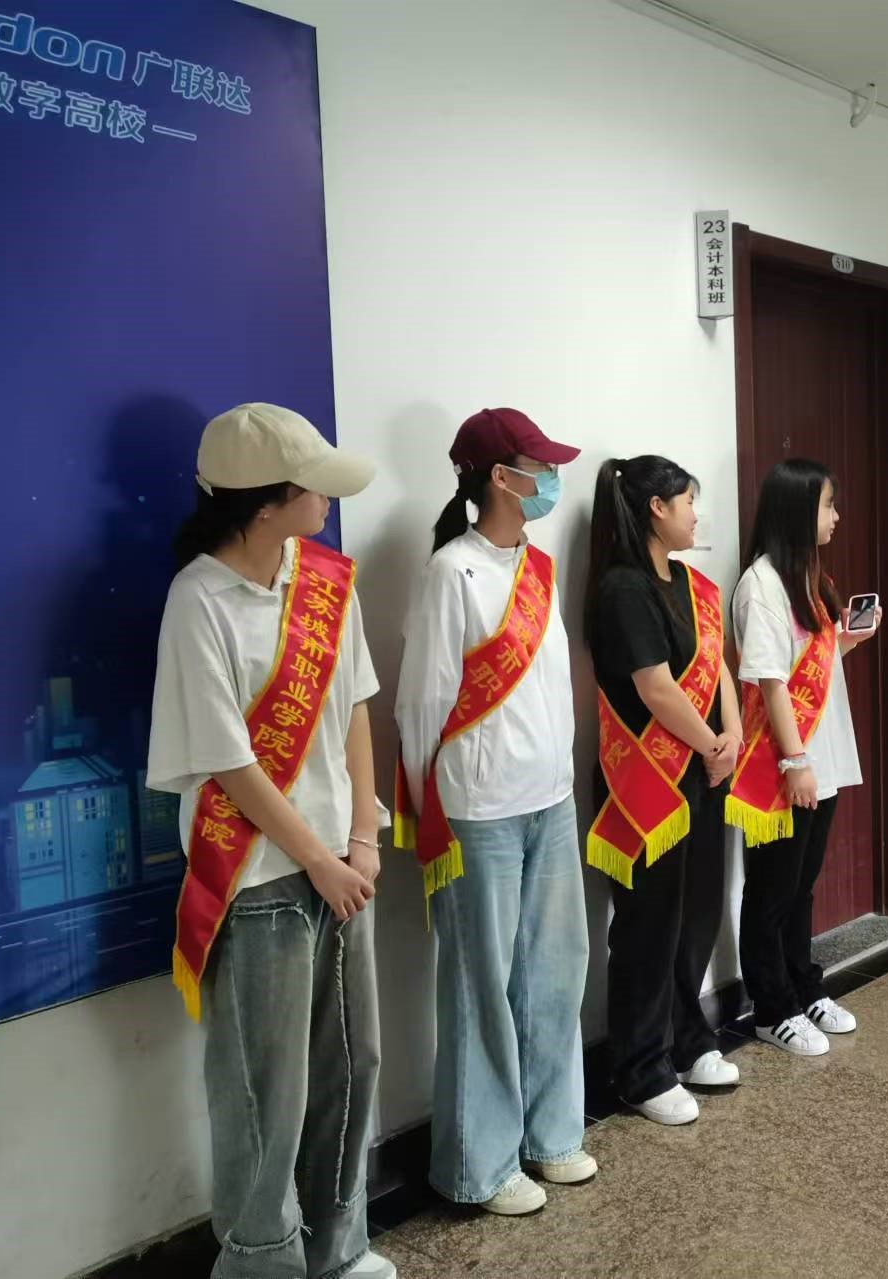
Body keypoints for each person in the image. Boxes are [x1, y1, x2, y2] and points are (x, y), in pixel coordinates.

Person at [146, 404, 396, 1279]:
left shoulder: (325, 580)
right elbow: (231, 761)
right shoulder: (198, 600)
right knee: (265, 1092)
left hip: (343, 867)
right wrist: (319, 859)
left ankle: (338, 1246)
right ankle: (261, 1260)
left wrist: (362, 836)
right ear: (264, 502)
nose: (328, 499)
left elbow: (355, 708)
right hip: (260, 882)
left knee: (353, 1064)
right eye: (312, 486)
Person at [394, 407, 592, 1217]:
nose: (551, 479)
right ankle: (480, 1164)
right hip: (479, 813)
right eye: (539, 467)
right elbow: (421, 705)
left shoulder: (538, 568)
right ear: (501, 478)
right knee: (482, 985)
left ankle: (553, 1134)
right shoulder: (452, 572)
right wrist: (429, 814)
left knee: (555, 971)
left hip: (551, 801)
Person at [585, 455, 743, 1126]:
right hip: (646, 780)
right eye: (687, 502)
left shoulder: (690, 583)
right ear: (656, 508)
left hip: (704, 773)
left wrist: (731, 733)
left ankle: (688, 1036)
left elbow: (718, 667)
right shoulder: (622, 589)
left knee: (696, 912)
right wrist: (711, 744)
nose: (695, 515)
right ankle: (640, 1065)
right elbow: (655, 688)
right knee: (648, 925)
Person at [729, 459, 873, 1056]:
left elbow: (809, 667)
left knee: (802, 885)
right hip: (780, 765)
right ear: (796, 509)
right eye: (828, 505)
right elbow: (770, 683)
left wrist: (847, 640)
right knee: (772, 890)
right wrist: (793, 762)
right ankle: (772, 1008)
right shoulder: (761, 584)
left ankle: (803, 986)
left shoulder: (809, 577)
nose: (837, 516)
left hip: (822, 756)